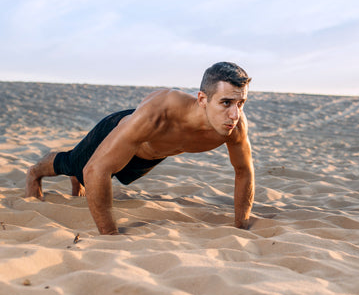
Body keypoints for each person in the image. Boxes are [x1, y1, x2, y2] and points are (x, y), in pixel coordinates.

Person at [25, 62, 254, 235]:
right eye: (226, 103)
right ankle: (34, 173)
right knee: (74, 163)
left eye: (240, 103)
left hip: (148, 158)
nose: (235, 114)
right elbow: (95, 170)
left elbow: (244, 171)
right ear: (203, 99)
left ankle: (77, 177)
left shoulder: (234, 125)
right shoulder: (161, 111)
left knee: (91, 171)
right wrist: (110, 236)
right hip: (125, 132)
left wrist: (241, 225)